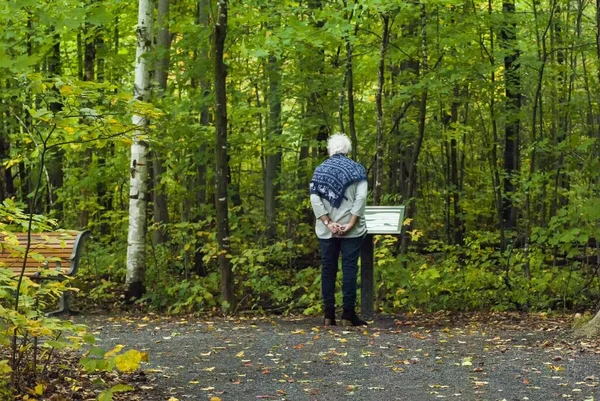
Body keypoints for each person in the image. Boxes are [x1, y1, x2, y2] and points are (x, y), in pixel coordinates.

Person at [309, 133, 368, 326]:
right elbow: (360, 199)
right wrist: (350, 224)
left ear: (330, 150)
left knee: (328, 269)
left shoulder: (319, 171)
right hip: (351, 229)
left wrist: (328, 222)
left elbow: (314, 198)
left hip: (327, 230)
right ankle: (348, 315)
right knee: (349, 268)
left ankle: (328, 315)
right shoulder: (357, 169)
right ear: (348, 150)